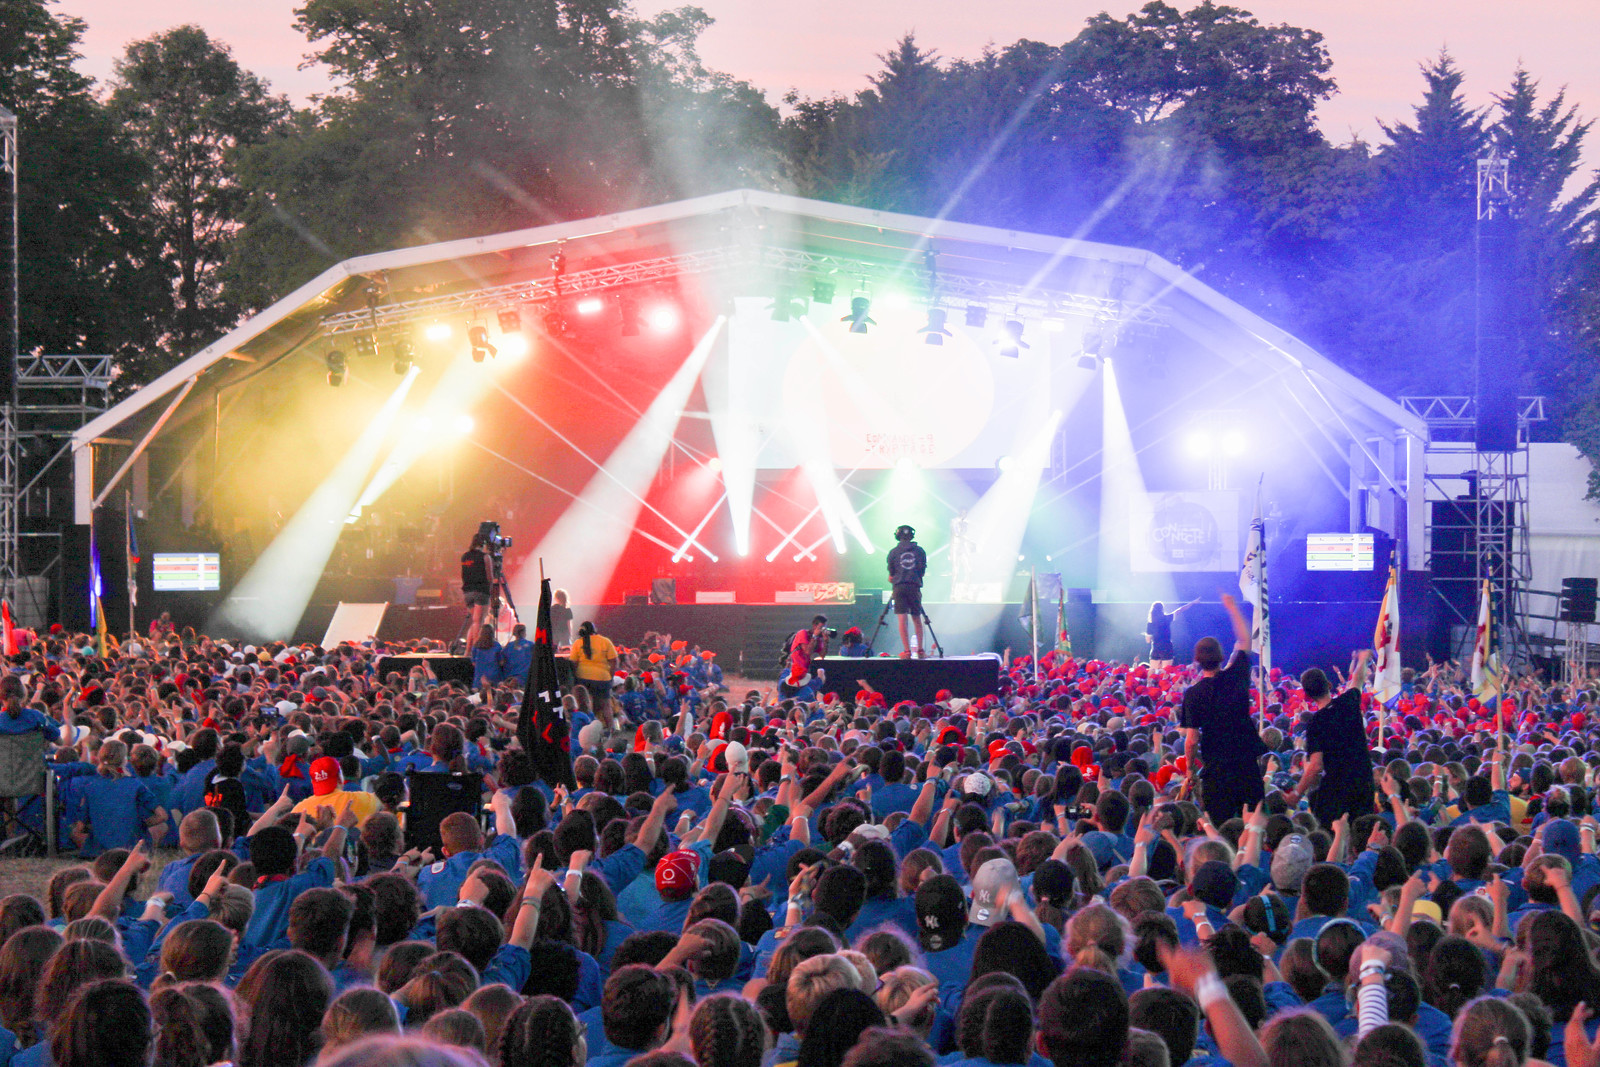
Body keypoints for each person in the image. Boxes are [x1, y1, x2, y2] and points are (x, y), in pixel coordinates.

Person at [1179, 593, 1266, 826]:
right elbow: (1246, 639)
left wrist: (1189, 770)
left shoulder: (1193, 694)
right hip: (1247, 765)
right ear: (1222, 656)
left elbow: (1191, 740)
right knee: (1253, 826)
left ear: (1196, 660)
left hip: (1217, 771)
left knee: (1222, 828)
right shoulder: (1236, 676)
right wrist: (1232, 608)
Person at [1285, 650, 1376, 826]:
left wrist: (1296, 794)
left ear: (1307, 696)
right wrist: (1363, 660)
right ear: (1328, 683)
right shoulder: (1348, 701)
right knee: (1361, 834)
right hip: (1364, 782)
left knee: (1334, 837)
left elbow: (1316, 766)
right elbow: (1357, 679)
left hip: (1337, 790)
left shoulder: (1315, 724)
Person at [886, 526, 928, 659]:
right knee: (916, 618)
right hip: (914, 586)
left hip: (899, 587)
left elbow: (891, 575)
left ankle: (907, 652)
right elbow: (922, 571)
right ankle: (920, 651)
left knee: (902, 619)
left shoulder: (893, 552)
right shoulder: (920, 551)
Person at [569, 622, 619, 731]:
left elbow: (573, 662)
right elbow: (614, 661)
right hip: (602, 678)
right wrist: (609, 675)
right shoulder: (605, 641)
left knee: (586, 703)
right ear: (594, 629)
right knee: (606, 704)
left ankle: (587, 729)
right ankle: (611, 729)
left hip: (582, 677)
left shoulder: (578, 643)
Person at [781, 616, 830, 701]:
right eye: (821, 627)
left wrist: (825, 641)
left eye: (824, 627)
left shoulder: (819, 639)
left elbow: (822, 655)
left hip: (804, 670)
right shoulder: (803, 633)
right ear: (815, 626)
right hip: (795, 669)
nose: (823, 629)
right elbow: (807, 651)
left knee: (807, 689)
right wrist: (814, 636)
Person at [459, 530, 495, 644]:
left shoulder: (465, 556)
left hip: (467, 592)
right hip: (481, 592)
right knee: (478, 622)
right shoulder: (485, 557)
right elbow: (490, 577)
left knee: (475, 622)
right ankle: (476, 649)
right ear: (483, 544)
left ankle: (468, 651)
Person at [1145, 599, 1198, 669]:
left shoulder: (1150, 624)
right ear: (1162, 609)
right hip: (1167, 647)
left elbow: (1148, 640)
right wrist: (1192, 602)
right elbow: (1180, 610)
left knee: (1153, 672)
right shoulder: (1167, 618)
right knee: (1166, 671)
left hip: (1156, 648)